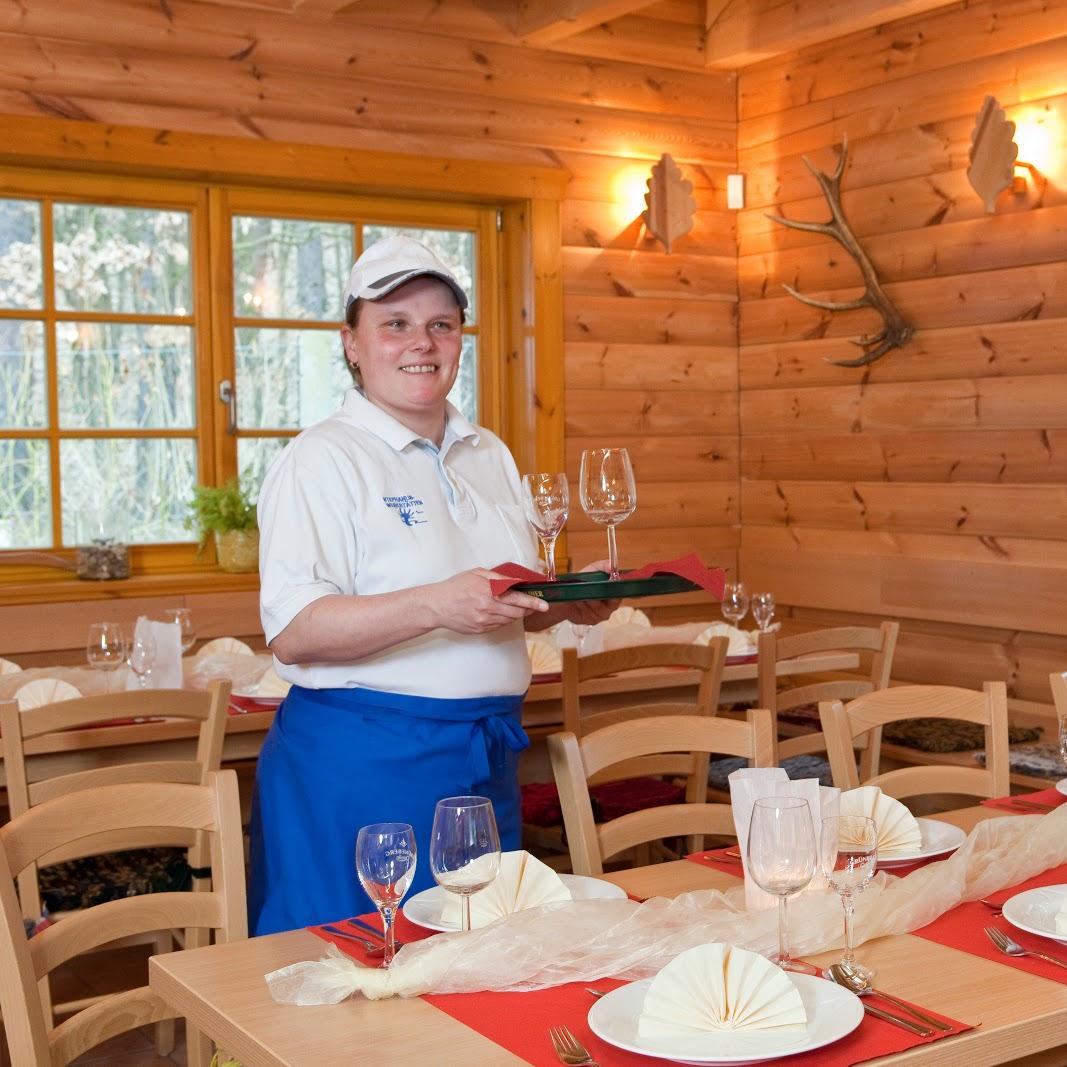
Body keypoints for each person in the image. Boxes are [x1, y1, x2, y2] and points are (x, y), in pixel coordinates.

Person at [249, 236, 611, 935]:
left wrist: (562, 600)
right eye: (395, 323)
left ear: (460, 339)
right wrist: (437, 603)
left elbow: (497, 601)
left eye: (440, 324)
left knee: (474, 971)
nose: (422, 342)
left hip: (483, 763)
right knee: (360, 986)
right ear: (351, 342)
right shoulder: (321, 458)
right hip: (362, 768)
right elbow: (295, 630)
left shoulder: (489, 452)